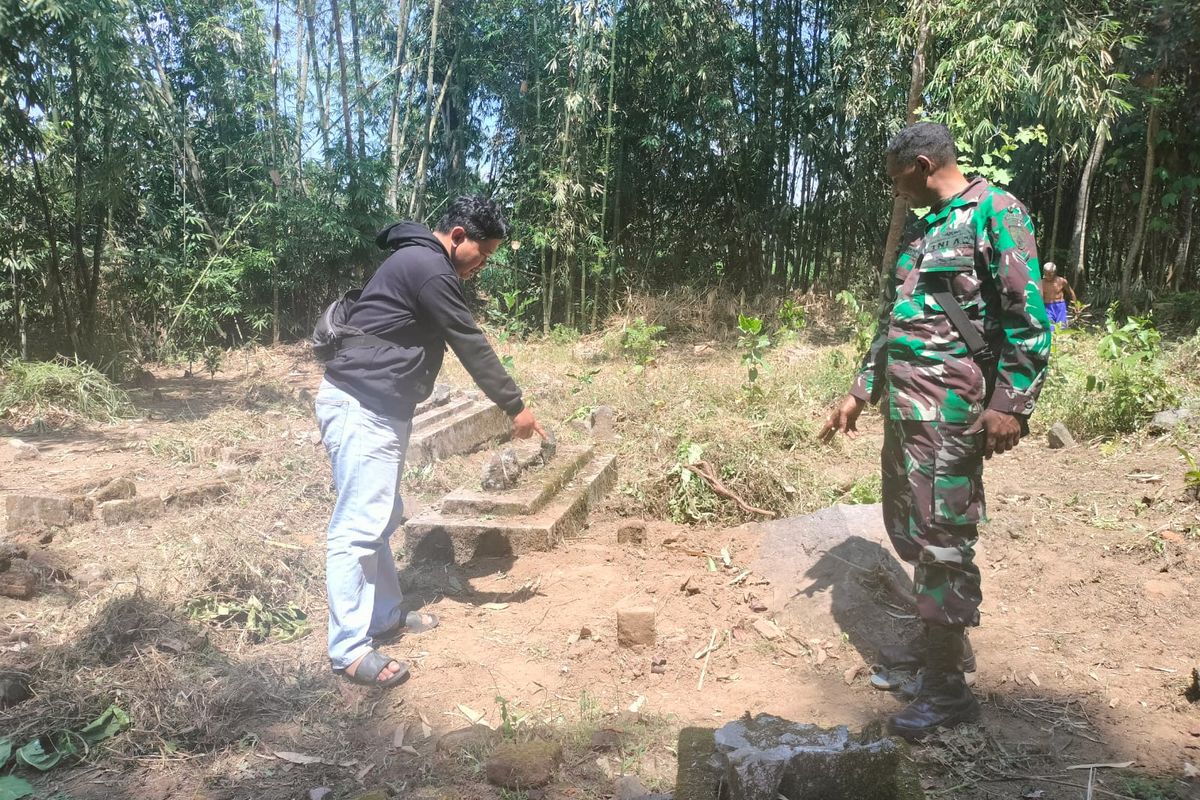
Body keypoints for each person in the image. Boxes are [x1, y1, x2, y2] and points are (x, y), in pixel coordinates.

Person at [819, 122, 1052, 740]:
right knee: (911, 528)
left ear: (922, 165)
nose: (897, 193)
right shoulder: (924, 233)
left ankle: (948, 694)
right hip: (906, 411)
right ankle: (934, 659)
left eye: (898, 180)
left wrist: (1011, 403)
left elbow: (1029, 317)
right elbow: (893, 321)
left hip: (952, 413)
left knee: (944, 538)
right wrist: (859, 391)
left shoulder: (996, 213)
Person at [315, 196, 545, 688]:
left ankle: (385, 616)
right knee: (359, 525)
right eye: (482, 255)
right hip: (362, 406)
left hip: (378, 406)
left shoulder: (420, 261)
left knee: (380, 515)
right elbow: (468, 339)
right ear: (458, 236)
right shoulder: (428, 267)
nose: (482, 266)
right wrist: (515, 405)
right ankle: (350, 651)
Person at [1040, 262, 1076, 328]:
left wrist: (1075, 306)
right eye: (1046, 273)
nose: (1048, 275)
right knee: (1050, 327)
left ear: (1055, 272)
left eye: (1050, 273)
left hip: (1060, 306)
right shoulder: (1041, 283)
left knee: (1062, 327)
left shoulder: (1062, 281)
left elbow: (1071, 293)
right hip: (1047, 307)